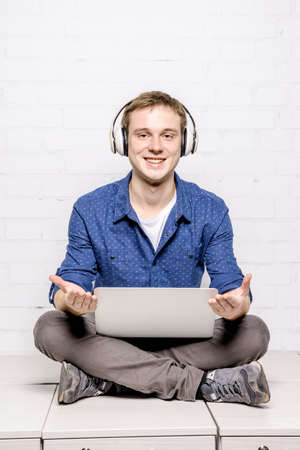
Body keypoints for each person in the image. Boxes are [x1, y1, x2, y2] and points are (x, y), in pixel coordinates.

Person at [33, 91, 270, 406]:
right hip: (109, 336)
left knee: (254, 332)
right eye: (143, 135)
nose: (155, 146)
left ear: (184, 144)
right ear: (124, 142)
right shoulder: (90, 208)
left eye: (167, 135)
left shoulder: (210, 209)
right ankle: (202, 385)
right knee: (49, 327)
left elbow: (231, 285)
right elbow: (69, 282)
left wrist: (238, 304)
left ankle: (104, 377)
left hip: (184, 338)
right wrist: (69, 299)